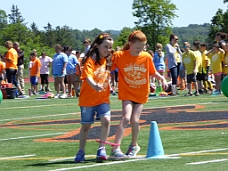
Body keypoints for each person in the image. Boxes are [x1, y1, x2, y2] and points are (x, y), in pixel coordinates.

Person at [110, 30, 168, 159]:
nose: (140, 50)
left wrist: (162, 79)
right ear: (130, 44)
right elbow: (108, 67)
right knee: (125, 117)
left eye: (143, 47)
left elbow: (152, 72)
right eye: (138, 47)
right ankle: (116, 147)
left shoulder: (146, 56)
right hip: (127, 92)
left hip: (141, 93)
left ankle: (133, 145)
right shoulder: (119, 55)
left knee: (135, 120)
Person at [74, 33, 114, 162]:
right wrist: (95, 85)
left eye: (110, 48)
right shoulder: (90, 60)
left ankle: (101, 148)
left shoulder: (108, 60)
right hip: (88, 99)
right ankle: (81, 151)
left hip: (103, 98)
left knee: (106, 120)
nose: (108, 50)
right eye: (105, 46)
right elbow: (88, 77)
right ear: (97, 45)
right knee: (86, 126)